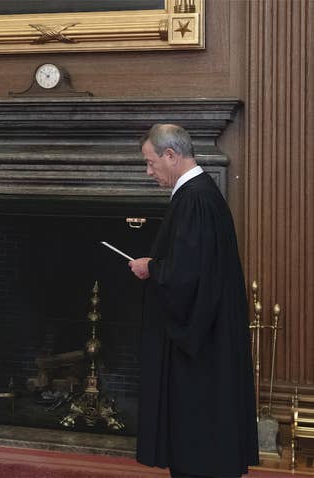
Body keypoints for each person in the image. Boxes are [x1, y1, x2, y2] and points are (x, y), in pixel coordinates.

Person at [129, 124, 259, 478]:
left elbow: (187, 276)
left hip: (201, 346)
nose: (149, 171)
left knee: (199, 439)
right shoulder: (199, 195)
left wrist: (151, 268)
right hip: (209, 335)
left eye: (150, 162)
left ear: (171, 155)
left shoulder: (195, 199)